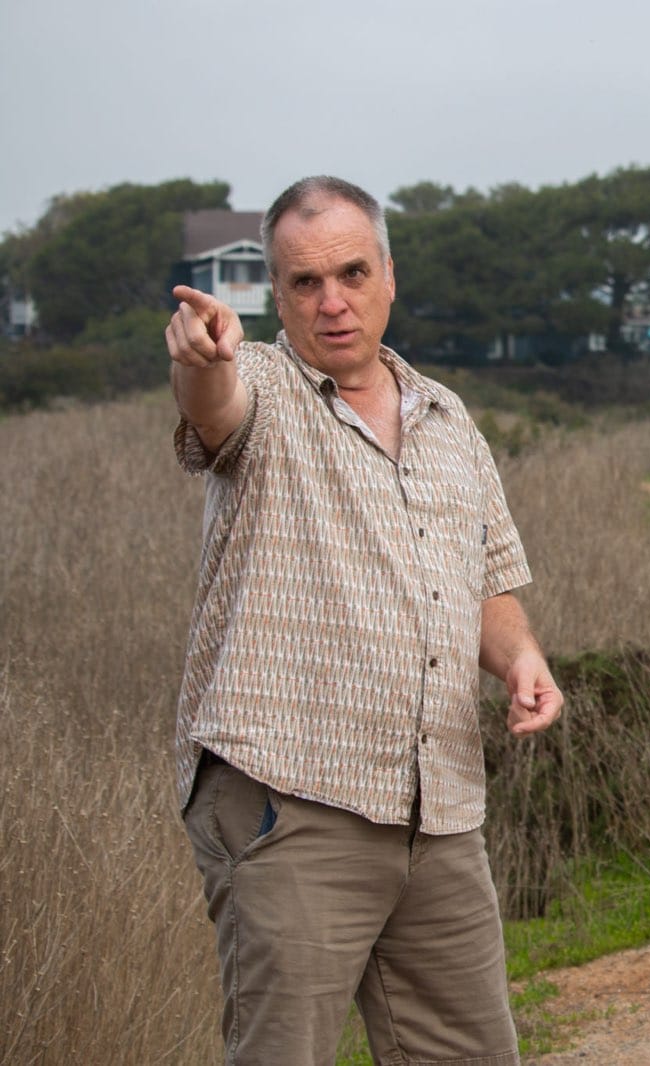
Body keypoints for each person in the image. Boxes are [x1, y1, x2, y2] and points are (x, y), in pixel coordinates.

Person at [165, 175, 564, 1064]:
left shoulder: (447, 418)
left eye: (351, 272)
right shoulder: (261, 387)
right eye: (305, 283)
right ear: (276, 295)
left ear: (389, 274)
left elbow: (486, 581)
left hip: (441, 809)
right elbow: (214, 413)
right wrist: (203, 360)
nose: (332, 302)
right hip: (291, 801)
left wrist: (522, 659)